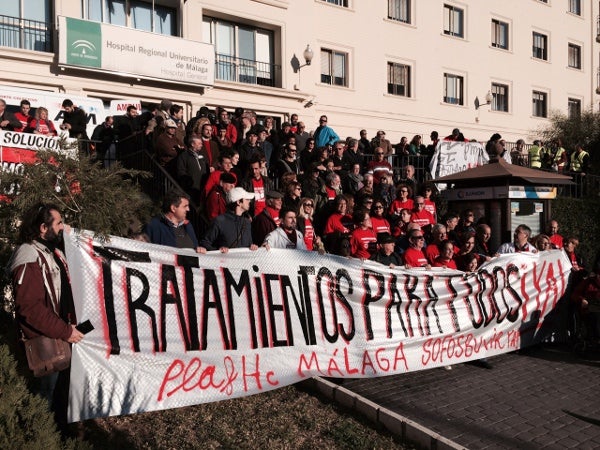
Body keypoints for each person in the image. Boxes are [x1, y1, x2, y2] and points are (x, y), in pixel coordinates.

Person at [8, 203, 84, 431]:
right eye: (59, 223)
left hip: (61, 339)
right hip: (47, 343)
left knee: (60, 399)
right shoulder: (28, 254)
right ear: (43, 227)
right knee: (45, 400)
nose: (64, 227)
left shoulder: (52, 251)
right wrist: (65, 331)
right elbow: (30, 308)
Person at [199, 187, 258, 253]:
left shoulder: (247, 222)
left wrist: (252, 247)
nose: (249, 201)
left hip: (244, 262)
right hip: (224, 262)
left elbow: (249, 244)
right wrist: (218, 250)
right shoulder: (219, 221)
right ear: (238, 202)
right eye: (246, 199)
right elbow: (204, 243)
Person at [177, 136, 208, 203]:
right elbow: (181, 171)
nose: (201, 145)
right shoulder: (184, 156)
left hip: (202, 187)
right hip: (190, 189)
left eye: (201, 143)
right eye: (199, 143)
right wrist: (188, 182)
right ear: (192, 144)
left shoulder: (202, 156)